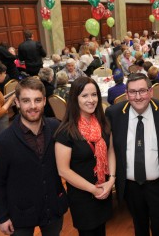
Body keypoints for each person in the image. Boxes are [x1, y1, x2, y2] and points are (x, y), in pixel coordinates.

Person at [0, 77, 68, 235]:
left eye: (37, 100)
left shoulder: (55, 127)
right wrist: (1, 217)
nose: (33, 106)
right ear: (17, 102)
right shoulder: (2, 142)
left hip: (53, 207)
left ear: (44, 101)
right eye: (26, 101)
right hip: (19, 213)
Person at [105, 73, 159, 236]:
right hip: (131, 186)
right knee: (139, 225)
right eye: (132, 92)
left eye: (142, 91)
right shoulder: (114, 113)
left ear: (151, 92)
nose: (138, 97)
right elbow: (108, 149)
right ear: (127, 94)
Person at [55, 77, 115, 235]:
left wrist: (111, 181)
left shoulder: (103, 122)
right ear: (75, 99)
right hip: (83, 196)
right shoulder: (66, 131)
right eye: (84, 96)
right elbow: (64, 171)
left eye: (94, 95)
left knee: (101, 231)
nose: (91, 100)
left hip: (104, 189)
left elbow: (110, 152)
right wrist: (93, 190)